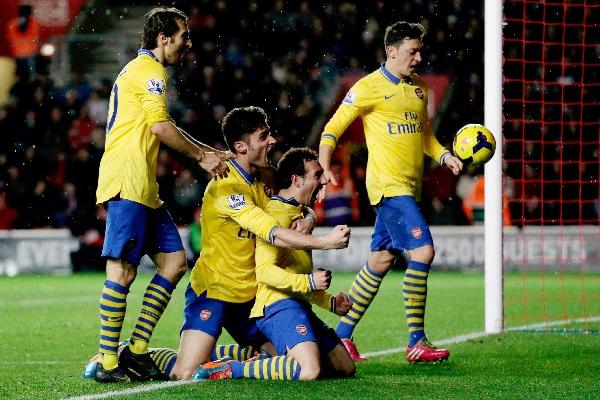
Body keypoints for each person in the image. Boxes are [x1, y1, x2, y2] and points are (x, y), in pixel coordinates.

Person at [93, 7, 232, 383]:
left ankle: (137, 350)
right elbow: (159, 126)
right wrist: (203, 156)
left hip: (144, 187)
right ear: (163, 38)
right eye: (183, 35)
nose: (188, 42)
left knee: (173, 261)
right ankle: (108, 361)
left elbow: (162, 126)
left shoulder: (141, 71)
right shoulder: (149, 72)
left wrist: (207, 152)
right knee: (122, 271)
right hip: (128, 179)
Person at [318, 21, 463, 363]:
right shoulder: (368, 87)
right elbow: (332, 128)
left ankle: (341, 337)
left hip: (408, 190)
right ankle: (417, 340)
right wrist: (325, 165)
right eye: (412, 52)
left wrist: (445, 156)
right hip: (388, 186)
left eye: (420, 51)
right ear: (392, 51)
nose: (418, 58)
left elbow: (424, 137)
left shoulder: (420, 90)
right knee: (423, 252)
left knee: (381, 261)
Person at [170, 106, 351, 380]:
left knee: (286, 360)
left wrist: (310, 217)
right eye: (264, 136)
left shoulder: (264, 178)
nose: (272, 141)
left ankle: (220, 358)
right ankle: (136, 356)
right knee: (185, 372)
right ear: (241, 146)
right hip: (216, 290)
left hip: (251, 295)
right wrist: (325, 242)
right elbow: (272, 232)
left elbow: (293, 199)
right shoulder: (225, 186)